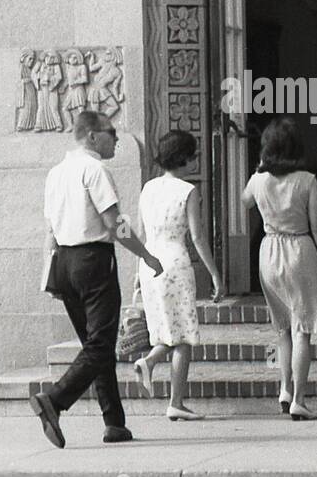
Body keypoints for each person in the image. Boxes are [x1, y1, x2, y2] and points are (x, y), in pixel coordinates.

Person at [31, 110, 163, 448]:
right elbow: (114, 223)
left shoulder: (55, 173)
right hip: (93, 260)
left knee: (95, 345)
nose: (116, 139)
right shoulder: (96, 169)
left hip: (64, 262)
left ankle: (114, 422)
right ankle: (55, 400)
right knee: (100, 344)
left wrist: (48, 274)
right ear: (92, 136)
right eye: (111, 133)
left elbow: (50, 230)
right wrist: (146, 255)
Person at [241, 116, 317, 422]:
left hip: (269, 250)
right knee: (303, 330)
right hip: (300, 249)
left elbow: (244, 203)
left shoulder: (258, 180)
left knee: (282, 328)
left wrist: (259, 166)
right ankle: (299, 398)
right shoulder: (307, 181)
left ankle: (284, 389)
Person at [131, 130, 225, 421]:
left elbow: (140, 232)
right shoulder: (188, 191)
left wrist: (137, 270)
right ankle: (174, 399)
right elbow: (197, 237)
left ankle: (152, 363)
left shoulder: (148, 188)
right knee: (182, 335)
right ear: (184, 158)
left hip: (149, 262)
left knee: (165, 330)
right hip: (175, 261)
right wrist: (215, 275)